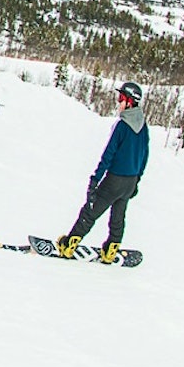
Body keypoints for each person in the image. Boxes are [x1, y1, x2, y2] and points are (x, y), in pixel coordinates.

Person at [56, 81, 149, 263]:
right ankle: (111, 250)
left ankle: (69, 244)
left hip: (114, 179)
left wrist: (95, 179)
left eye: (121, 98)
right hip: (130, 182)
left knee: (91, 211)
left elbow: (108, 154)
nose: (119, 102)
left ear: (129, 101)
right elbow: (144, 156)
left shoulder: (122, 125)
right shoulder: (143, 126)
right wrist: (136, 181)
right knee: (118, 216)